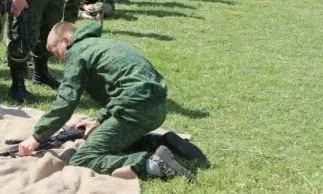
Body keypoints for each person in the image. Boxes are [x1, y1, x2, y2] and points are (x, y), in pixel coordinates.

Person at [16, 21, 199, 181]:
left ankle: (152, 163)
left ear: (66, 40)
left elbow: (65, 101)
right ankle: (160, 143)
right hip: (157, 106)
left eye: (57, 53)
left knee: (82, 158)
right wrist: (100, 120)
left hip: (136, 109)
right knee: (101, 137)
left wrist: (36, 137)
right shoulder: (100, 44)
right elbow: (121, 90)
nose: (61, 60)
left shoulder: (77, 52)